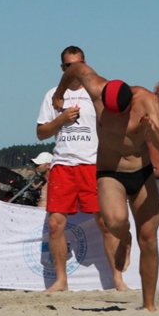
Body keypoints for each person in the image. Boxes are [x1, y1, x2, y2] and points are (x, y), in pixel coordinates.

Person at [53, 63, 159, 311]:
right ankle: (124, 237)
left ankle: (149, 304)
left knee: (149, 239)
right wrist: (59, 93)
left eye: (120, 114)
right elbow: (75, 68)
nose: (114, 118)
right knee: (114, 222)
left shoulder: (147, 101)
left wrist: (153, 130)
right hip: (110, 171)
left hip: (142, 172)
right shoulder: (96, 87)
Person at [36, 46, 127, 292]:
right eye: (69, 66)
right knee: (56, 224)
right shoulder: (53, 95)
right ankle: (61, 281)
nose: (75, 70)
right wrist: (60, 120)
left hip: (93, 164)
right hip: (63, 165)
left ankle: (118, 280)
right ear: (62, 68)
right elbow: (41, 133)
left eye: (79, 64)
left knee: (106, 223)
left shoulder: (96, 92)